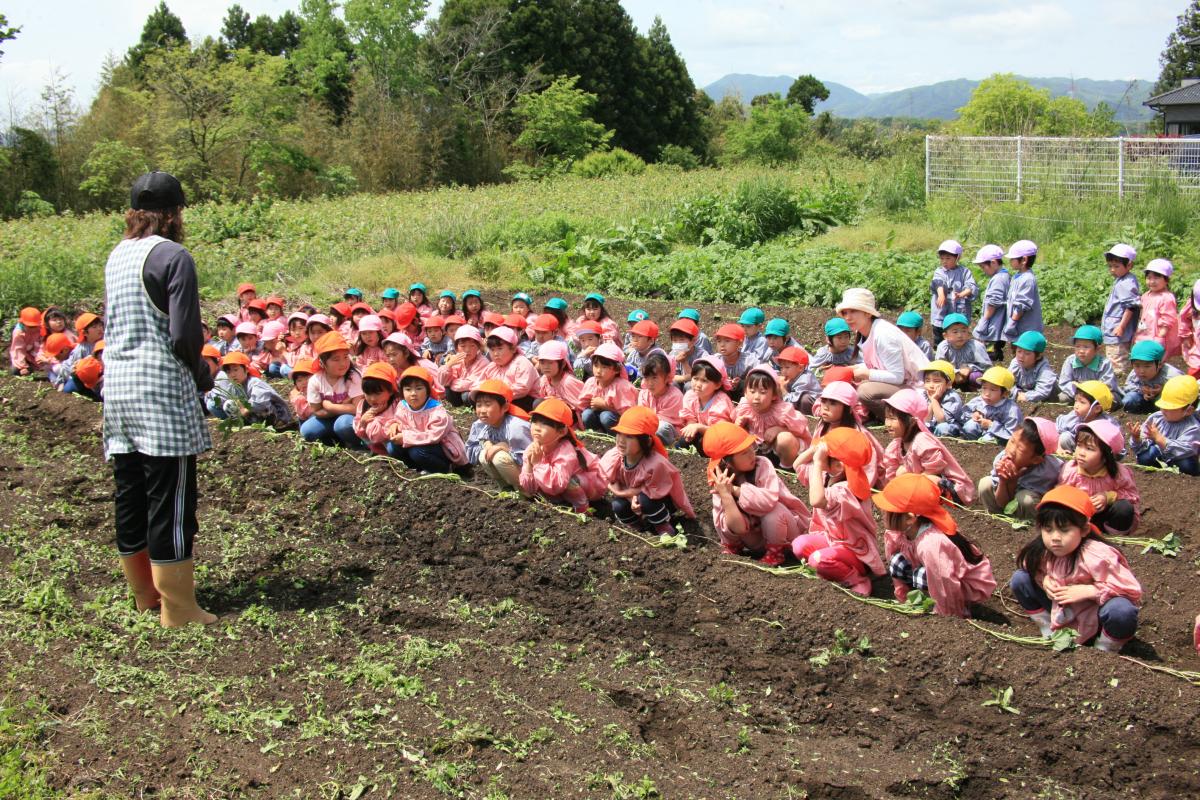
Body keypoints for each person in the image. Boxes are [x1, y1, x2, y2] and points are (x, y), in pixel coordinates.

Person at [102, 172, 216, 627]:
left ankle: (144, 594)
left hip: (119, 391)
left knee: (130, 492)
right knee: (170, 497)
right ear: (174, 214)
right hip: (160, 393)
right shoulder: (174, 257)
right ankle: (180, 608)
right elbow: (184, 335)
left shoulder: (117, 255)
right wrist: (202, 374)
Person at [1010, 485, 1142, 652]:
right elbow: (1028, 567)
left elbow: (1131, 591)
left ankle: (1104, 649)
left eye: (1064, 530)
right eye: (1048, 530)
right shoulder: (1042, 551)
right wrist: (1044, 580)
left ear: (1084, 530)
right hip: (1062, 612)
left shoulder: (1098, 556)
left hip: (1096, 620)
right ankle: (1047, 628)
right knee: (1020, 579)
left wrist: (1091, 591)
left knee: (1121, 611)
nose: (1055, 538)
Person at [877, 473, 995, 617]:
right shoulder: (899, 533)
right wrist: (904, 600)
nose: (883, 512)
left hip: (959, 586)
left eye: (889, 510)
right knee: (898, 563)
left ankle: (963, 609)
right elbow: (895, 567)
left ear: (910, 518)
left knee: (924, 576)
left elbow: (946, 584)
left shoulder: (931, 545)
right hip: (935, 573)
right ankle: (925, 598)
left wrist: (947, 616)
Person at [704, 421, 809, 565]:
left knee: (774, 510)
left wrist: (735, 490)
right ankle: (734, 546)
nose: (752, 454)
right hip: (754, 538)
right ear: (726, 461)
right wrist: (726, 496)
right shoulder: (720, 480)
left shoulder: (762, 465)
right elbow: (737, 528)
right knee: (726, 513)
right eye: (744, 453)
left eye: (751, 448)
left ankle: (777, 552)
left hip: (786, 532)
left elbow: (767, 502)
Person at [792, 427, 883, 594]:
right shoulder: (830, 477)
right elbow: (797, 464)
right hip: (833, 540)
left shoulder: (845, 490)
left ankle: (856, 579)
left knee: (816, 559)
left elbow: (816, 500)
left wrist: (819, 462)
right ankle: (833, 570)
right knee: (799, 545)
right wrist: (817, 448)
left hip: (855, 553)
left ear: (838, 466)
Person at [600, 407, 696, 534]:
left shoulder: (655, 464)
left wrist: (628, 495)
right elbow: (610, 479)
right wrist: (629, 498)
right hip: (633, 497)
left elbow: (653, 491)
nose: (621, 440)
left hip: (658, 500)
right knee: (618, 505)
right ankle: (638, 527)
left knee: (645, 500)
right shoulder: (615, 456)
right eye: (619, 434)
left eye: (629, 436)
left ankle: (663, 526)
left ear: (645, 441)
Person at [838, 288, 930, 420]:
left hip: (916, 387)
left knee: (865, 391)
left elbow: (897, 376)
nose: (848, 317)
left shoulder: (883, 334)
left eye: (853, 311)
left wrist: (866, 373)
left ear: (868, 313)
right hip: (902, 384)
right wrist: (851, 369)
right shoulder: (867, 331)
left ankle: (902, 420)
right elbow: (879, 363)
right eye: (845, 312)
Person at [881, 389, 975, 505]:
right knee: (900, 473)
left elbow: (935, 467)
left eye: (893, 419)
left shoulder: (921, 441)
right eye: (887, 418)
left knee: (929, 479)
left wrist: (910, 483)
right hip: (919, 484)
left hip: (953, 491)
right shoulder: (895, 446)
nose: (887, 424)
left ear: (911, 421)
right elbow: (891, 474)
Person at [519, 397, 606, 512]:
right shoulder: (532, 448)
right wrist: (530, 465)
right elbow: (530, 489)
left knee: (569, 482)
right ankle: (560, 502)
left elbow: (557, 485)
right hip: (558, 486)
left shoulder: (566, 451)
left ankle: (582, 509)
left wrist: (538, 463)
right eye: (534, 421)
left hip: (593, 485)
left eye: (544, 424)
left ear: (561, 432)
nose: (537, 428)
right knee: (542, 478)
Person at [1060, 420, 1139, 536]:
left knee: (1124, 508)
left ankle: (1113, 537)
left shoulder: (1119, 473)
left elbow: (1132, 497)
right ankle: (1079, 531)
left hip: (1106, 517)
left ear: (1106, 456)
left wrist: (1108, 497)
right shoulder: (1070, 471)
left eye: (1089, 449)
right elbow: (1061, 495)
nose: (1081, 453)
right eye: (1079, 445)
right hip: (1080, 516)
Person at [386, 366, 468, 474]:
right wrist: (394, 424)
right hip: (415, 442)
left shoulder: (436, 411)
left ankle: (444, 468)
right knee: (392, 447)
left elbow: (433, 437)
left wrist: (406, 437)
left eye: (419, 388)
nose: (413, 393)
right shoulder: (402, 406)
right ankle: (416, 468)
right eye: (408, 389)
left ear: (428, 391)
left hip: (440, 448)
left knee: (417, 452)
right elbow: (397, 419)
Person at [977, 417, 1062, 519]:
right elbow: (1003, 503)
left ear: (1036, 459)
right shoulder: (1001, 460)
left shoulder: (1052, 471)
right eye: (1012, 441)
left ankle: (1030, 524)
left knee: (1025, 499)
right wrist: (1003, 481)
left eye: (1020, 449)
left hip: (1034, 511)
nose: (1011, 450)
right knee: (985, 484)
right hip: (1006, 502)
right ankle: (997, 518)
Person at [734, 364, 811, 468]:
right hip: (756, 449)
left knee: (785, 439)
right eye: (752, 391)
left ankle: (787, 467)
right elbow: (735, 424)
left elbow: (801, 429)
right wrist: (738, 424)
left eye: (762, 392)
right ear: (746, 393)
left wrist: (780, 429)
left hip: (780, 450)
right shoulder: (744, 406)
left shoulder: (782, 411)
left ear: (774, 395)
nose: (756, 397)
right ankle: (754, 463)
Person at [300, 331, 364, 447]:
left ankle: (359, 446)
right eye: (336, 359)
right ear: (322, 362)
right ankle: (335, 442)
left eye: (345, 357)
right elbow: (317, 411)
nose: (343, 363)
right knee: (307, 430)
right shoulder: (316, 380)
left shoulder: (353, 377)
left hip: (349, 419)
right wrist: (344, 407)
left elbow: (357, 409)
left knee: (343, 424)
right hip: (328, 419)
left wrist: (331, 407)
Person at [467, 379, 533, 491]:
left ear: (505, 408)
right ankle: (506, 488)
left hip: (530, 477)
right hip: (510, 469)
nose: (482, 410)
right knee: (484, 454)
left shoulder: (516, 427)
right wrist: (486, 444)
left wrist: (504, 448)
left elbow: (532, 461)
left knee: (499, 457)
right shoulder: (479, 425)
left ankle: (524, 492)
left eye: (488, 405)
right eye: (479, 405)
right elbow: (470, 452)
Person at [1130, 375, 1200, 475]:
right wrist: (1137, 438)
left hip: (1179, 458)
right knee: (1145, 458)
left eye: (1170, 408)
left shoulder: (1192, 427)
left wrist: (1160, 439)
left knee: (1187, 466)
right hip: (1159, 454)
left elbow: (1187, 449)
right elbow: (1144, 441)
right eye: (1163, 406)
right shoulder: (1156, 418)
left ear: (1189, 410)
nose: (1164, 410)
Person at [209, 352, 291, 426]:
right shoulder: (233, 387)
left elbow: (261, 402)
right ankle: (244, 423)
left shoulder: (254, 383)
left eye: (235, 370)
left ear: (246, 369)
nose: (233, 375)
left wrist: (246, 409)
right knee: (229, 404)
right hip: (255, 416)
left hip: (277, 413)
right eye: (228, 372)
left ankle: (277, 422)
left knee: (262, 407)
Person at [679, 355, 736, 454]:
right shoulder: (691, 395)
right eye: (695, 379)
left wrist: (698, 427)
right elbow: (690, 418)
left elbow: (719, 432)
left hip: (720, 439)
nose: (698, 384)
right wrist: (691, 428)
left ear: (717, 385)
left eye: (704, 381)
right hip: (702, 432)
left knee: (705, 443)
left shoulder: (720, 403)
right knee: (683, 441)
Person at [579, 342, 637, 433]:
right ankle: (597, 434)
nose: (598, 371)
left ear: (616, 369)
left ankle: (615, 435)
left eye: (604, 367)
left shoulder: (622, 387)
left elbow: (629, 414)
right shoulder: (591, 382)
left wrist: (606, 406)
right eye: (596, 365)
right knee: (586, 414)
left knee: (606, 416)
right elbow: (581, 405)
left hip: (618, 421)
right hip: (597, 417)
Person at [1101, 243, 1140, 375]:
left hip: (1117, 331)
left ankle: (1117, 387)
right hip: (1115, 328)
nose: (1112, 269)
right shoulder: (1123, 279)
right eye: (1110, 266)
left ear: (1129, 265)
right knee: (1116, 358)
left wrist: (1121, 326)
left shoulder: (1126, 283)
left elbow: (1131, 307)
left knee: (1116, 363)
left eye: (1116, 266)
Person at [929, 239, 977, 342]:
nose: (944, 261)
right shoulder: (940, 271)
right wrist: (941, 295)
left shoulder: (964, 272)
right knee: (939, 333)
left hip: (959, 311)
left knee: (957, 335)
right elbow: (938, 282)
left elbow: (971, 286)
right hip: (941, 311)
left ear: (957, 257)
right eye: (942, 258)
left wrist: (961, 294)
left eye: (948, 258)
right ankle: (939, 351)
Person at [482, 326, 539, 410]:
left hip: (525, 399)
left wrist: (498, 393)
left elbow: (522, 389)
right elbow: (481, 382)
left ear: (513, 349)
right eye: (492, 349)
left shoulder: (522, 363)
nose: (495, 353)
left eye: (499, 349)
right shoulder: (492, 366)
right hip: (501, 397)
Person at [962, 366, 1022, 444]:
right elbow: (964, 413)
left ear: (1005, 393)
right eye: (984, 388)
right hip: (980, 432)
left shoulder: (1011, 410)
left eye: (992, 390)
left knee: (988, 440)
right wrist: (974, 414)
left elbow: (1012, 435)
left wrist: (991, 425)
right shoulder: (978, 401)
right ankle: (972, 446)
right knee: (970, 426)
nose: (987, 393)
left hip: (998, 436)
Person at [1056, 380, 1118, 453]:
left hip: (1097, 455)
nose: (1076, 406)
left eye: (1082, 402)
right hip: (1076, 449)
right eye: (1076, 401)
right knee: (1064, 437)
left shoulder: (1107, 424)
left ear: (1097, 409)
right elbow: (1058, 430)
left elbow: (1116, 447)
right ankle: (1071, 456)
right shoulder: (1073, 416)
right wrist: (1059, 448)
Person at [1134, 258, 1180, 358]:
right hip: (1144, 334)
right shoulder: (1146, 295)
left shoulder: (1166, 298)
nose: (1152, 281)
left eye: (1156, 278)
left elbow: (1168, 320)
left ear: (1166, 280)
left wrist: (1160, 337)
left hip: (1158, 338)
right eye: (1149, 278)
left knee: (1156, 362)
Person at [934, 313, 992, 391]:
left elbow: (987, 366)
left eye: (963, 331)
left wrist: (970, 368)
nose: (960, 335)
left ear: (968, 333)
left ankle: (973, 388)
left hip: (970, 374)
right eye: (955, 332)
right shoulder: (943, 347)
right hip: (952, 375)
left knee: (976, 377)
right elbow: (940, 366)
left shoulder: (976, 346)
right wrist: (956, 373)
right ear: (945, 336)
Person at [637, 352, 684, 446]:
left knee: (661, 428)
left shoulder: (675, 396)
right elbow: (641, 414)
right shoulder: (644, 393)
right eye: (646, 378)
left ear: (667, 378)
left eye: (654, 378)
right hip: (648, 426)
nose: (650, 383)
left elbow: (662, 421)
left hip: (670, 432)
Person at [971, 244, 1009, 361]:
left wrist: (984, 320)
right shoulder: (1004, 276)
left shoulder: (999, 279)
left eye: (983, 267)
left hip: (993, 328)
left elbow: (993, 303)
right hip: (996, 327)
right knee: (992, 352)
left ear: (993, 263)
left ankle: (992, 374)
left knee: (989, 354)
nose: (983, 270)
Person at [1121, 340, 1182, 413]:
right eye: (1137, 365)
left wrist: (1163, 391)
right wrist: (1141, 390)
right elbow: (1128, 386)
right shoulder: (1134, 373)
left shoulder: (1172, 375)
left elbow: (1183, 391)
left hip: (1166, 404)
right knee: (1128, 399)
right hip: (1143, 400)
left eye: (1147, 366)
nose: (1141, 371)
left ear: (1160, 364)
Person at [1058, 325, 1118, 399]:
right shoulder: (1070, 361)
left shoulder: (1104, 364)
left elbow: (1107, 385)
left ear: (1097, 348)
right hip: (1077, 393)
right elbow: (1064, 382)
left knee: (1112, 399)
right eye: (1078, 346)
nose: (1081, 351)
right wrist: (1077, 389)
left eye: (1086, 347)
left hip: (1097, 395)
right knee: (1063, 397)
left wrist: (1090, 391)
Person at [1001, 240, 1043, 345]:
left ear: (1024, 260)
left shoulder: (1028, 279)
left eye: (1012, 259)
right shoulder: (1018, 276)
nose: (1010, 261)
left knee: (1024, 353)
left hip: (1025, 330)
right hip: (1018, 329)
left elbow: (1021, 305)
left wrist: (1012, 323)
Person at [438, 325, 491, 407]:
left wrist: (452, 382)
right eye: (463, 346)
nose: (467, 350)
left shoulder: (483, 362)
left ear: (478, 347)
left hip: (474, 392)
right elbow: (443, 381)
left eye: (472, 346)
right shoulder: (456, 360)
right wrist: (448, 365)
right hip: (458, 390)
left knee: (466, 396)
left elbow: (471, 383)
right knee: (448, 389)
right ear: (456, 348)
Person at [1009, 331, 1058, 403]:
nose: (1021, 356)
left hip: (1050, 396)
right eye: (1019, 351)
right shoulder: (1016, 363)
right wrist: (1017, 393)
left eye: (1027, 353)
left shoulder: (1044, 370)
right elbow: (1007, 382)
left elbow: (1042, 392)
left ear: (1038, 356)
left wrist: (1026, 396)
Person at [712, 323, 758, 398]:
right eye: (719, 341)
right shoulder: (714, 361)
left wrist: (742, 383)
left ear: (739, 343)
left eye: (727, 341)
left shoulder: (750, 362)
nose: (722, 345)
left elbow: (759, 380)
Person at [921, 361, 966, 437]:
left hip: (949, 427)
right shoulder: (925, 395)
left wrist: (934, 400)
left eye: (936, 381)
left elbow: (941, 420)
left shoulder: (952, 397)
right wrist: (932, 400)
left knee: (943, 427)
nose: (931, 385)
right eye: (927, 381)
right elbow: (926, 419)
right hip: (931, 426)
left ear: (948, 384)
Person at [535, 340, 584, 411]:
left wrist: (558, 402)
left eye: (550, 362)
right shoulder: (544, 380)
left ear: (563, 364)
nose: (546, 367)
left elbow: (583, 406)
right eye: (542, 363)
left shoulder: (568, 382)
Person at [778, 346, 820, 414]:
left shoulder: (805, 380)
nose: (783, 371)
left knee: (804, 399)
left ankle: (807, 417)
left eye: (787, 367)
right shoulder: (792, 376)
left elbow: (792, 402)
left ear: (800, 368)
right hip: (794, 400)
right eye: (781, 367)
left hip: (816, 406)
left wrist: (783, 389)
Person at [9, 307, 44, 376]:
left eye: (35, 326)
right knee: (15, 370)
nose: (33, 329)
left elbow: (41, 344)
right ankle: (29, 367)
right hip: (22, 354)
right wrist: (22, 366)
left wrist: (40, 358)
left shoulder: (39, 328)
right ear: (22, 323)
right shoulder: (18, 333)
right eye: (30, 327)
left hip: (34, 353)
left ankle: (34, 367)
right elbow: (18, 350)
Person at [1179, 279, 1200, 378]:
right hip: (1197, 350)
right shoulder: (1191, 306)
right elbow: (1183, 318)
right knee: (1193, 376)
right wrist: (1185, 335)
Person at [288, 358, 316, 423]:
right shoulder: (297, 395)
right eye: (299, 380)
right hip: (303, 418)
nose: (304, 382)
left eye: (307, 378)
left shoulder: (320, 390)